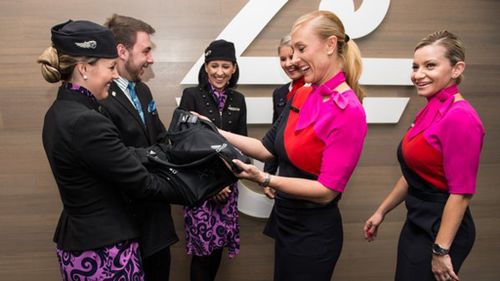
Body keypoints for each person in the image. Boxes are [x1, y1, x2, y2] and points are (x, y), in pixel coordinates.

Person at [212, 11, 367, 281]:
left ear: (331, 45)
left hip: (313, 231)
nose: (294, 60)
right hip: (286, 220)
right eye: (293, 51)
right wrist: (214, 131)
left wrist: (264, 178)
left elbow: (327, 191)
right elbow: (267, 148)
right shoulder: (305, 92)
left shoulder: (348, 109)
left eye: (301, 49)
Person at [37, 20, 186, 281]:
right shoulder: (87, 120)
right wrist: (197, 187)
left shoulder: (59, 112)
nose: (115, 75)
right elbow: (142, 184)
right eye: (109, 67)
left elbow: (121, 155)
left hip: (83, 242)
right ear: (83, 69)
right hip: (104, 250)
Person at [363, 31, 485, 281]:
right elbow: (414, 173)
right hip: (418, 222)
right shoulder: (431, 108)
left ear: (456, 68)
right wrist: (381, 211)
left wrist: (441, 250)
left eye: (430, 65)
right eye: (415, 66)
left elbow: (461, 194)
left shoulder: (460, 117)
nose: (418, 74)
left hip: (442, 229)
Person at [99, 14, 177, 281]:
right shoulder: (100, 97)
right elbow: (114, 159)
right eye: (146, 50)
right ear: (122, 51)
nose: (151, 58)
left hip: (156, 220)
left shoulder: (143, 91)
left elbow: (159, 137)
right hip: (124, 223)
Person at [178, 39, 247, 281]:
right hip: (201, 189)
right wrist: (213, 184)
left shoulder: (238, 100)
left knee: (217, 250)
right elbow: (182, 146)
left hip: (227, 189)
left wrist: (226, 181)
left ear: (234, 68)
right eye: (214, 65)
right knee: (201, 254)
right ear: (206, 67)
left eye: (226, 66)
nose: (220, 72)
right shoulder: (191, 96)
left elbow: (241, 146)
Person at [262, 34, 305, 198]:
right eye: (282, 59)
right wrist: (269, 175)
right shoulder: (279, 93)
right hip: (284, 174)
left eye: (291, 57)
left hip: (308, 177)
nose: (288, 64)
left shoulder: (316, 89)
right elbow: (275, 136)